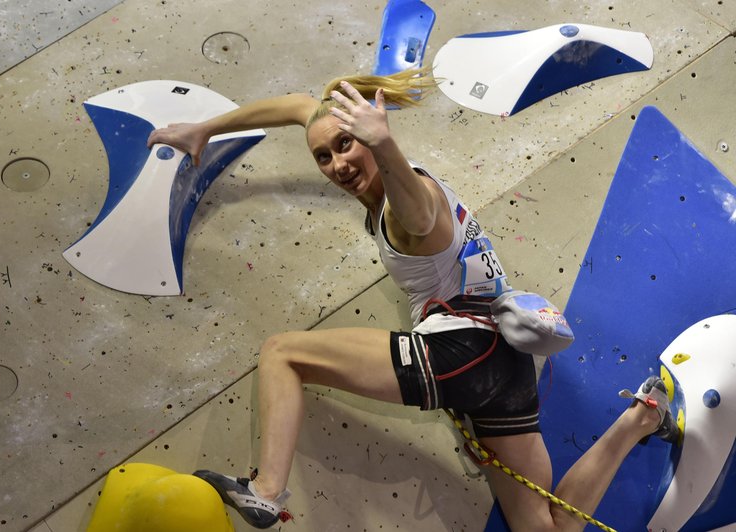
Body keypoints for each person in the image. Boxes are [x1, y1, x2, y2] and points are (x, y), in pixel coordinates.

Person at [146, 69, 678, 531]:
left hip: (461, 349)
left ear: (371, 139)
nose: (335, 164)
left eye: (346, 146)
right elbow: (293, 107)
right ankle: (640, 419)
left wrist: (383, 143)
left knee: (282, 354)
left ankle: (266, 489)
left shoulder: (407, 204)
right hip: (506, 366)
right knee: (544, 528)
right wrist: (206, 128)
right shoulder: (381, 170)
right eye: (323, 157)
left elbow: (420, 215)